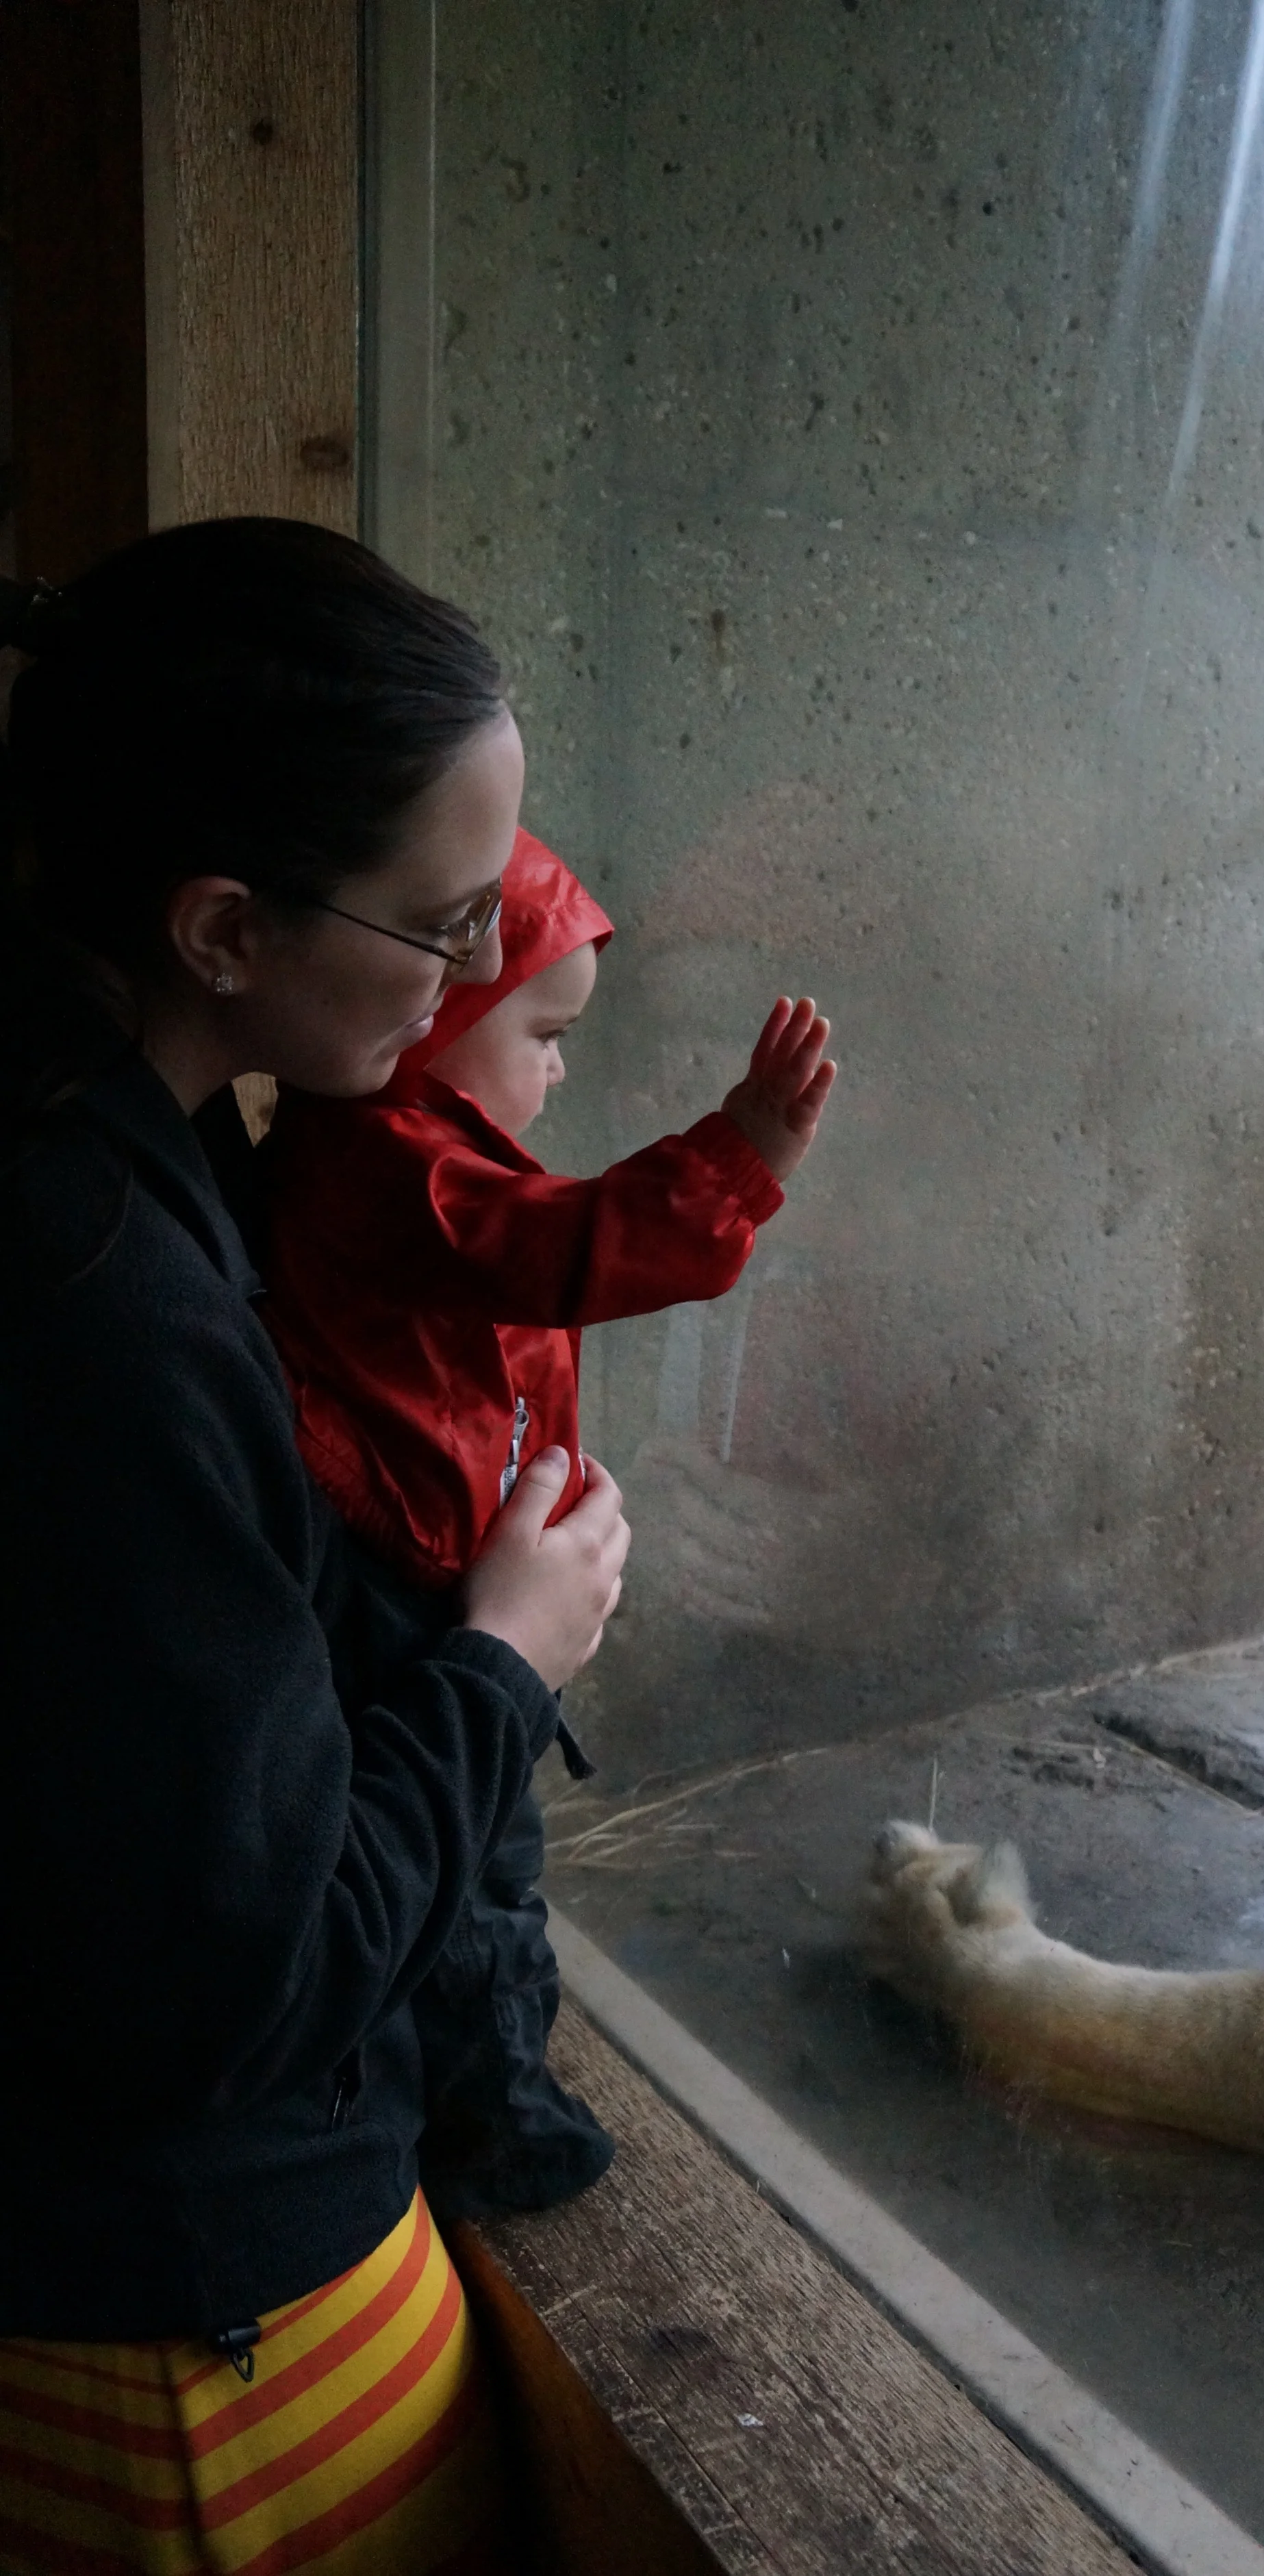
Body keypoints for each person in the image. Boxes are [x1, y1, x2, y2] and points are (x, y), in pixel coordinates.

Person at [0, 518, 631, 2575]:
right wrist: (506, 1656)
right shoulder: (103, 1301)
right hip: (198, 2336)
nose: (469, 980)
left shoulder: (105, 1136)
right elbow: (240, 1984)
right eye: (442, 924)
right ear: (217, 930)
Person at [257, 823, 835, 2219]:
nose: (560, 1067)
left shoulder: (388, 1146)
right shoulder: (379, 1160)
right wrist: (734, 1158)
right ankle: (491, 2123)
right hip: (402, 1577)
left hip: (411, 1552)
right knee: (477, 1868)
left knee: (473, 1855)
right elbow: (558, 1248)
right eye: (544, 1032)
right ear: (438, 1011)